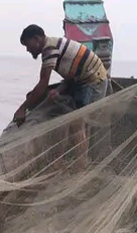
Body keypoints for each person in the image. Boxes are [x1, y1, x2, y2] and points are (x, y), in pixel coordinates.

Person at [15, 24, 109, 168]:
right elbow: (72, 72)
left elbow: (42, 84)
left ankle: (80, 166)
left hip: (93, 82)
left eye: (28, 45)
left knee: (77, 122)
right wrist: (59, 89)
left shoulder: (49, 49)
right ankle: (72, 160)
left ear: (37, 39)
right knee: (74, 120)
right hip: (79, 80)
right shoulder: (53, 44)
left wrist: (22, 109)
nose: (28, 49)